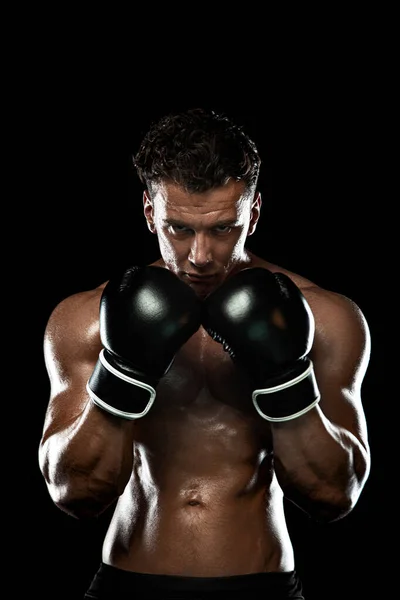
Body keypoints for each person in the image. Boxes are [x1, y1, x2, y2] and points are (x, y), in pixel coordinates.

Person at [38, 107, 371, 599]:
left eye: (222, 229)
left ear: (252, 214)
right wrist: (121, 373)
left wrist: (286, 378)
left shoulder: (324, 317)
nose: (200, 257)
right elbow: (74, 493)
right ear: (150, 212)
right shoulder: (87, 319)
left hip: (263, 583)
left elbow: (333, 495)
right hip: (127, 582)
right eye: (178, 228)